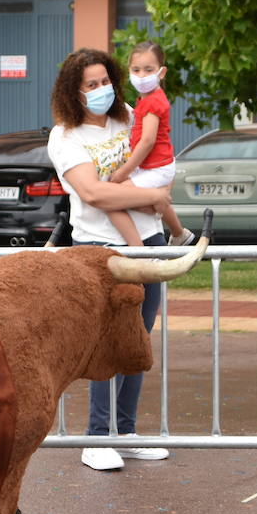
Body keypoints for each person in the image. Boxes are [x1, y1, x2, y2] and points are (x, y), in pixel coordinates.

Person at [46, 48, 174, 471]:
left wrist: (154, 194)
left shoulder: (129, 115)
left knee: (137, 336)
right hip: (100, 251)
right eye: (91, 85)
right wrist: (153, 196)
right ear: (74, 92)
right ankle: (96, 436)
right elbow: (94, 193)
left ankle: (127, 430)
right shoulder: (66, 137)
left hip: (149, 241)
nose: (102, 90)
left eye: (106, 81)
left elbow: (156, 156)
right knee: (105, 341)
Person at [106, 41, 194, 248]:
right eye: (136, 70)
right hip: (158, 166)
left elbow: (147, 141)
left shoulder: (153, 101)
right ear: (129, 71)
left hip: (157, 169)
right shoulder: (146, 99)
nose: (142, 75)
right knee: (145, 198)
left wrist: (123, 172)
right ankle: (177, 231)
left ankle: (154, 224)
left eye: (149, 70)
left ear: (161, 73)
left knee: (113, 195)